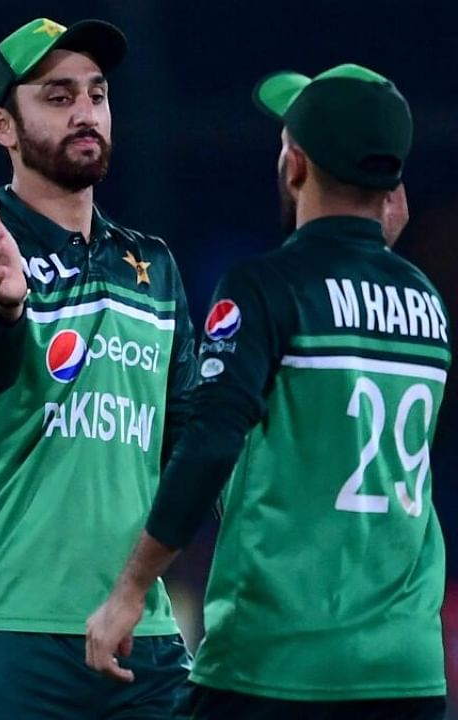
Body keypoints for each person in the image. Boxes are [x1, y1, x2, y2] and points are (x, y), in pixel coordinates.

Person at [85, 64, 448, 720]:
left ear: (296, 164)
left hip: (276, 663)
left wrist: (133, 586)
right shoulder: (427, 305)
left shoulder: (266, 288)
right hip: (407, 671)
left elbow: (212, 439)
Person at [0, 16, 197, 719]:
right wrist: (6, 307)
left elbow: (191, 438)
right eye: (56, 96)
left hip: (140, 627)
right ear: (2, 126)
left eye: (96, 94)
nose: (85, 113)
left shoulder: (154, 268)